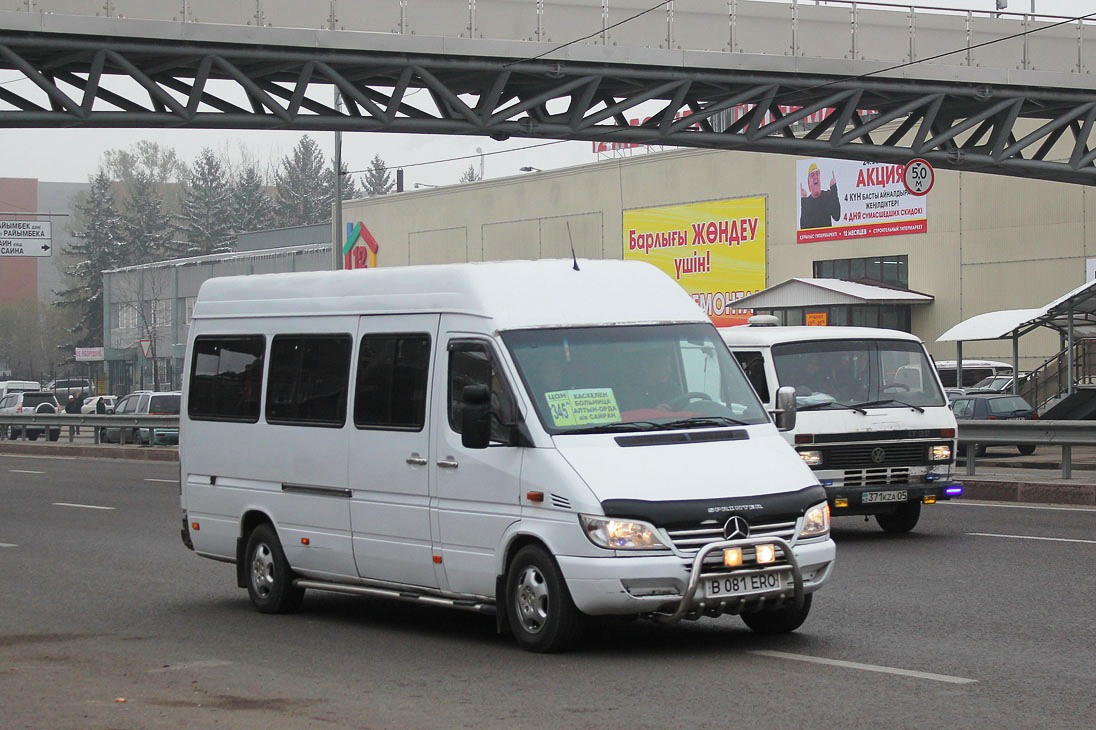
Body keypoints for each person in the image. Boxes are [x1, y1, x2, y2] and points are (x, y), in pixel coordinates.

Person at [799, 162, 841, 229]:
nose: (815, 177)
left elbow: (837, 216)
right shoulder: (807, 203)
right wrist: (803, 200)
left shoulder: (828, 195)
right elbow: (804, 229)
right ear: (809, 184)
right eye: (812, 175)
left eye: (817, 174)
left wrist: (834, 190)